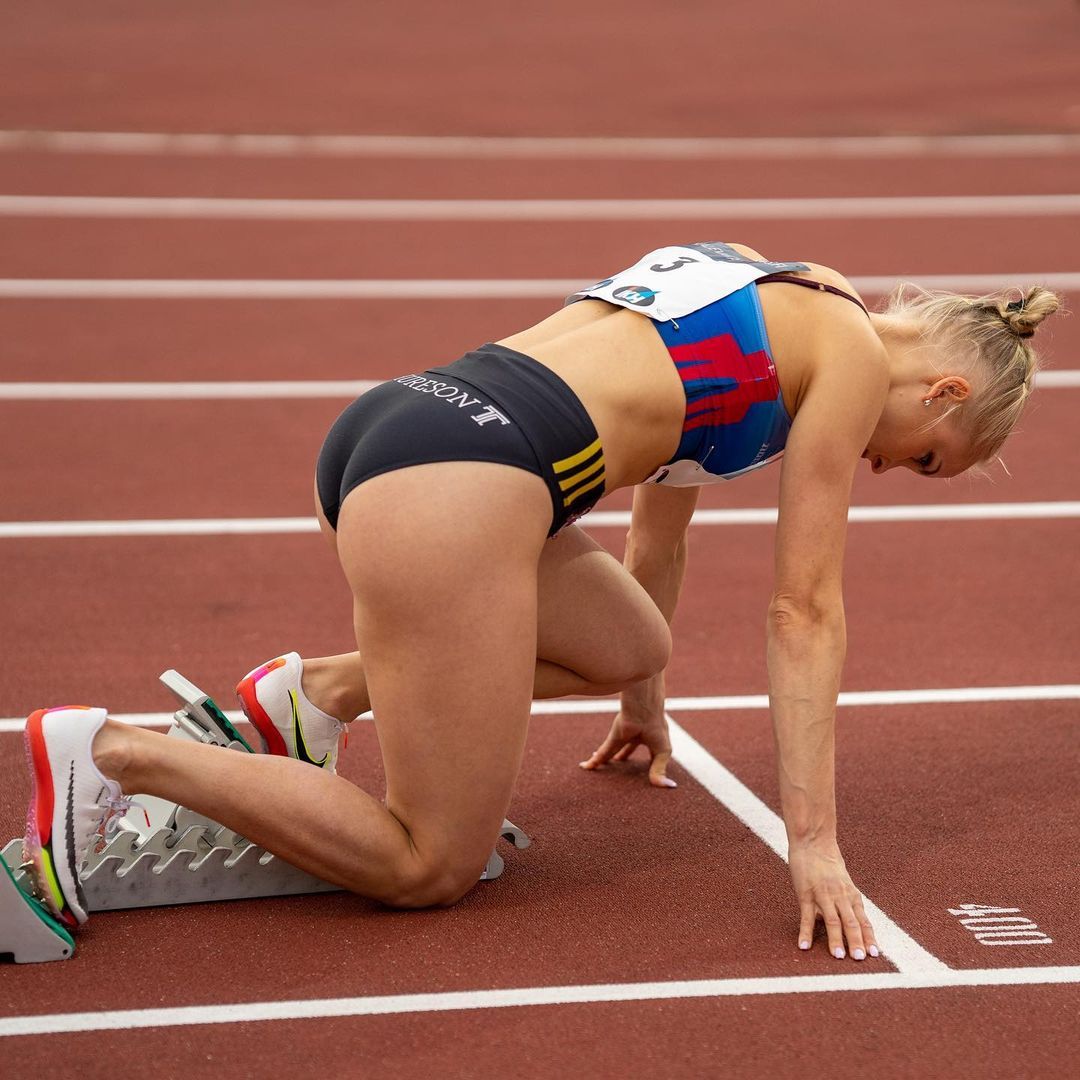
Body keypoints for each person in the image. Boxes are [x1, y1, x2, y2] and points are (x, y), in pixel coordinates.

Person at [22, 242, 1060, 963]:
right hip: (464, 486)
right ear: (945, 392)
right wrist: (817, 847)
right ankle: (110, 754)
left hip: (403, 421)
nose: (888, 471)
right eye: (926, 460)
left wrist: (644, 704)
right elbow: (806, 612)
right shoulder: (855, 360)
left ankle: (314, 696)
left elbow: (661, 526)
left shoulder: (780, 286)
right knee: (428, 865)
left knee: (629, 642)